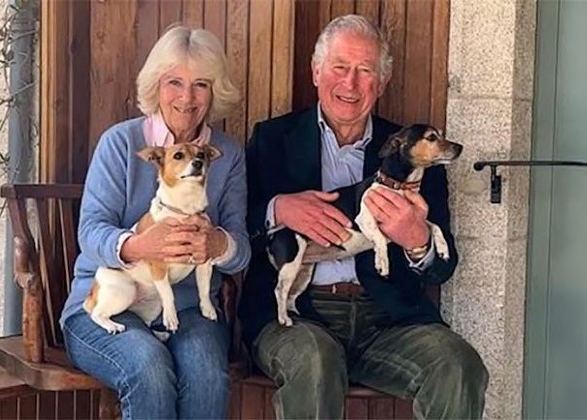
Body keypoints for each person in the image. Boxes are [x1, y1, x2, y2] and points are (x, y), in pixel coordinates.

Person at [240, 14, 488, 419]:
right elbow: (234, 226)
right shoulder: (272, 138)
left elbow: (443, 268)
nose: (350, 83)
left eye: (365, 71)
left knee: (459, 366)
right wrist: (277, 208)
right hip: (299, 317)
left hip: (389, 321)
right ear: (316, 72)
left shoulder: (414, 153)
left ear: (382, 82)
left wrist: (417, 241)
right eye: (340, 67)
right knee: (314, 363)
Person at [60, 25, 250, 419]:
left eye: (200, 84)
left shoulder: (227, 155)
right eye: (174, 82)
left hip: (190, 310)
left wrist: (218, 244)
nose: (187, 97)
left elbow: (241, 250)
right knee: (149, 370)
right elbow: (90, 231)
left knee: (207, 377)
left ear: (214, 91)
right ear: (156, 86)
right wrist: (138, 245)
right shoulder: (120, 143)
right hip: (107, 302)